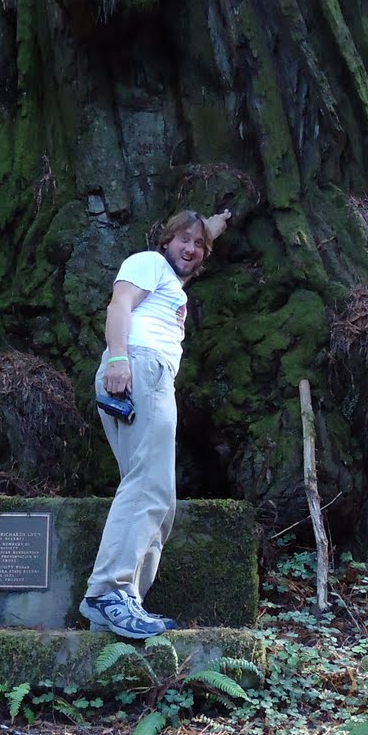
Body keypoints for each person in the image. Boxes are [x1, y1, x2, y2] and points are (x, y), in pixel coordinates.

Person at [80, 208, 231, 639]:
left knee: (157, 498)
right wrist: (120, 359)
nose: (191, 248)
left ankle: (123, 604)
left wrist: (218, 224)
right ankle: (108, 592)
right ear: (165, 240)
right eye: (183, 239)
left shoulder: (172, 284)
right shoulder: (147, 262)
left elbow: (194, 256)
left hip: (150, 372)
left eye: (199, 244)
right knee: (149, 486)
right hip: (140, 367)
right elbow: (119, 305)